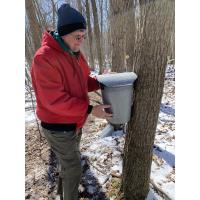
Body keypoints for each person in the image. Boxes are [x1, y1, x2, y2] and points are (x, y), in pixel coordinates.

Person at [31, 3, 112, 200]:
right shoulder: (44, 58)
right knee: (74, 166)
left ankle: (63, 193)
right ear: (64, 33)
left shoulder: (75, 53)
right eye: (78, 36)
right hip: (57, 126)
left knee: (68, 164)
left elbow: (84, 81)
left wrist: (104, 82)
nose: (81, 41)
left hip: (74, 121)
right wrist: (91, 109)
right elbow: (54, 100)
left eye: (83, 36)